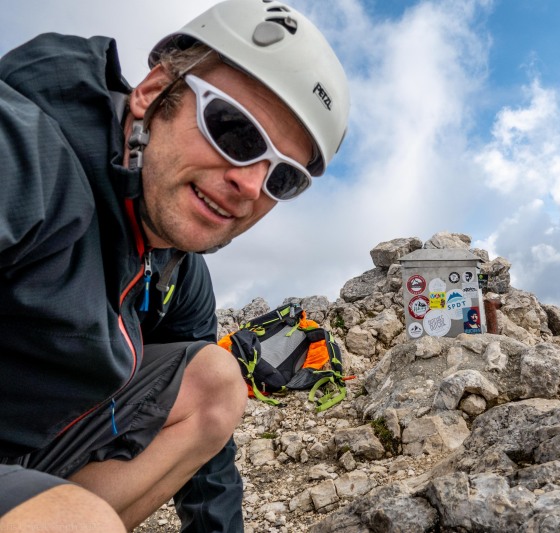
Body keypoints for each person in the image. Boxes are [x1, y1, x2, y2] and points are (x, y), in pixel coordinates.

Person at [0, 0, 349, 531]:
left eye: (282, 178)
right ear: (152, 92)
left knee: (217, 378)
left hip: (33, 453)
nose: (251, 186)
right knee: (76, 521)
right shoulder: (27, 159)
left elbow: (210, 449)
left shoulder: (174, 269)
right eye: (236, 132)